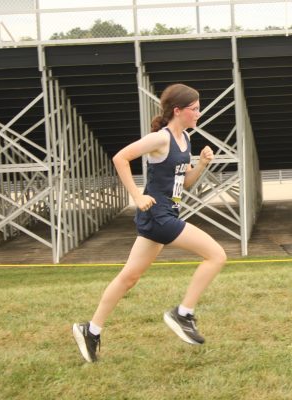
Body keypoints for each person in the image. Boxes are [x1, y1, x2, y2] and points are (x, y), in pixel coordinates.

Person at [72, 83, 227, 363]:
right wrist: (136, 195)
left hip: (165, 213)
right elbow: (121, 157)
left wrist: (202, 164)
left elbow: (185, 184)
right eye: (195, 109)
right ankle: (183, 314)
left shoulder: (185, 141)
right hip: (158, 216)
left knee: (129, 278)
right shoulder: (161, 139)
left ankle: (90, 330)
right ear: (178, 111)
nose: (199, 113)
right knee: (216, 255)